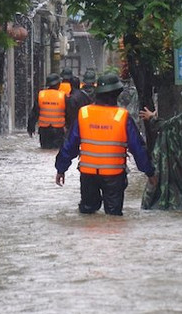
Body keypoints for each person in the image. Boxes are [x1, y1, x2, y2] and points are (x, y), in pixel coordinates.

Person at [55, 73, 157, 216]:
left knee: (87, 214)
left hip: (88, 175)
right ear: (117, 94)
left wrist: (61, 169)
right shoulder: (122, 116)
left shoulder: (84, 113)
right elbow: (138, 148)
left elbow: (69, 145)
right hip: (114, 176)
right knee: (113, 216)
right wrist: (150, 172)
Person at [27, 73, 67, 149]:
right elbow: (68, 113)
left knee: (45, 150)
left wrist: (30, 127)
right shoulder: (63, 96)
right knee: (56, 152)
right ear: (58, 84)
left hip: (44, 130)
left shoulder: (41, 95)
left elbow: (34, 113)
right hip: (58, 130)